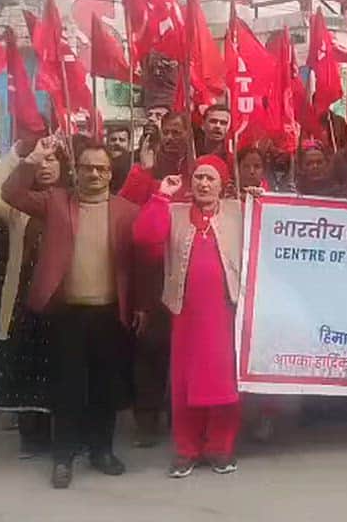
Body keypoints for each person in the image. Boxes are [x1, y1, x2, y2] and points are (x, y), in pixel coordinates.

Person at [2, 137, 140, 488]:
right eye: (87, 167)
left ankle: (101, 451)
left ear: (110, 174)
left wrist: (140, 306)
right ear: (75, 171)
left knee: (104, 387)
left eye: (101, 169)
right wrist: (34, 158)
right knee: (67, 388)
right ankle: (63, 456)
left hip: (109, 313)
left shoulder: (127, 211)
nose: (94, 174)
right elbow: (12, 193)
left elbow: (140, 264)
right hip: (66, 313)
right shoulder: (56, 201)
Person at [134, 156, 246, 477]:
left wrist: (260, 196)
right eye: (198, 177)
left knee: (224, 382)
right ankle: (187, 449)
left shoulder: (238, 210)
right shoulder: (174, 211)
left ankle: (220, 447)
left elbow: (271, 226)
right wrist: (161, 195)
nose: (204, 184)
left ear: (222, 184)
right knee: (185, 383)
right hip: (185, 313)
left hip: (226, 313)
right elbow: (144, 236)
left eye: (210, 178)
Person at [0, 140, 69, 459]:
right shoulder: (18, 204)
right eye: (40, 161)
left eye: (52, 159)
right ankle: (32, 436)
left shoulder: (74, 201)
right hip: (24, 301)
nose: (45, 166)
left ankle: (66, 435)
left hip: (65, 301)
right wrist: (19, 153)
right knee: (28, 368)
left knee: (63, 369)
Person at [118, 112, 193, 447]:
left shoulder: (197, 170)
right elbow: (125, 208)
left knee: (183, 353)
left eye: (180, 132)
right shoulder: (146, 168)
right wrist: (145, 173)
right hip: (150, 275)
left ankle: (181, 417)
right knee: (150, 349)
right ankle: (146, 419)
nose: (174, 137)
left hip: (188, 274)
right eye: (169, 132)